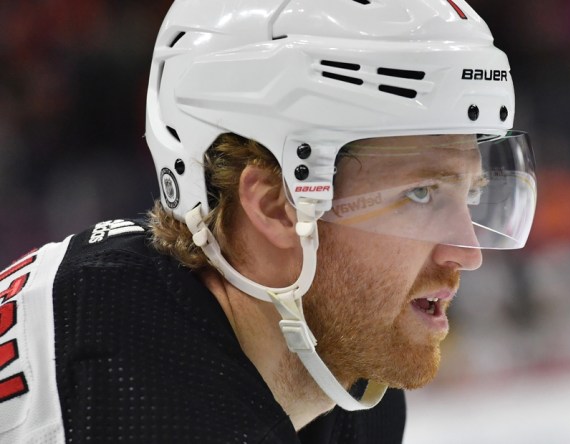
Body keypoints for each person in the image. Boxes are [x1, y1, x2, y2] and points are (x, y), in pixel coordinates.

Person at [0, 0, 536, 442]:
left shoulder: (351, 376)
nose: (468, 250)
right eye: (421, 193)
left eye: (470, 192)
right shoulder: (125, 384)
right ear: (277, 206)